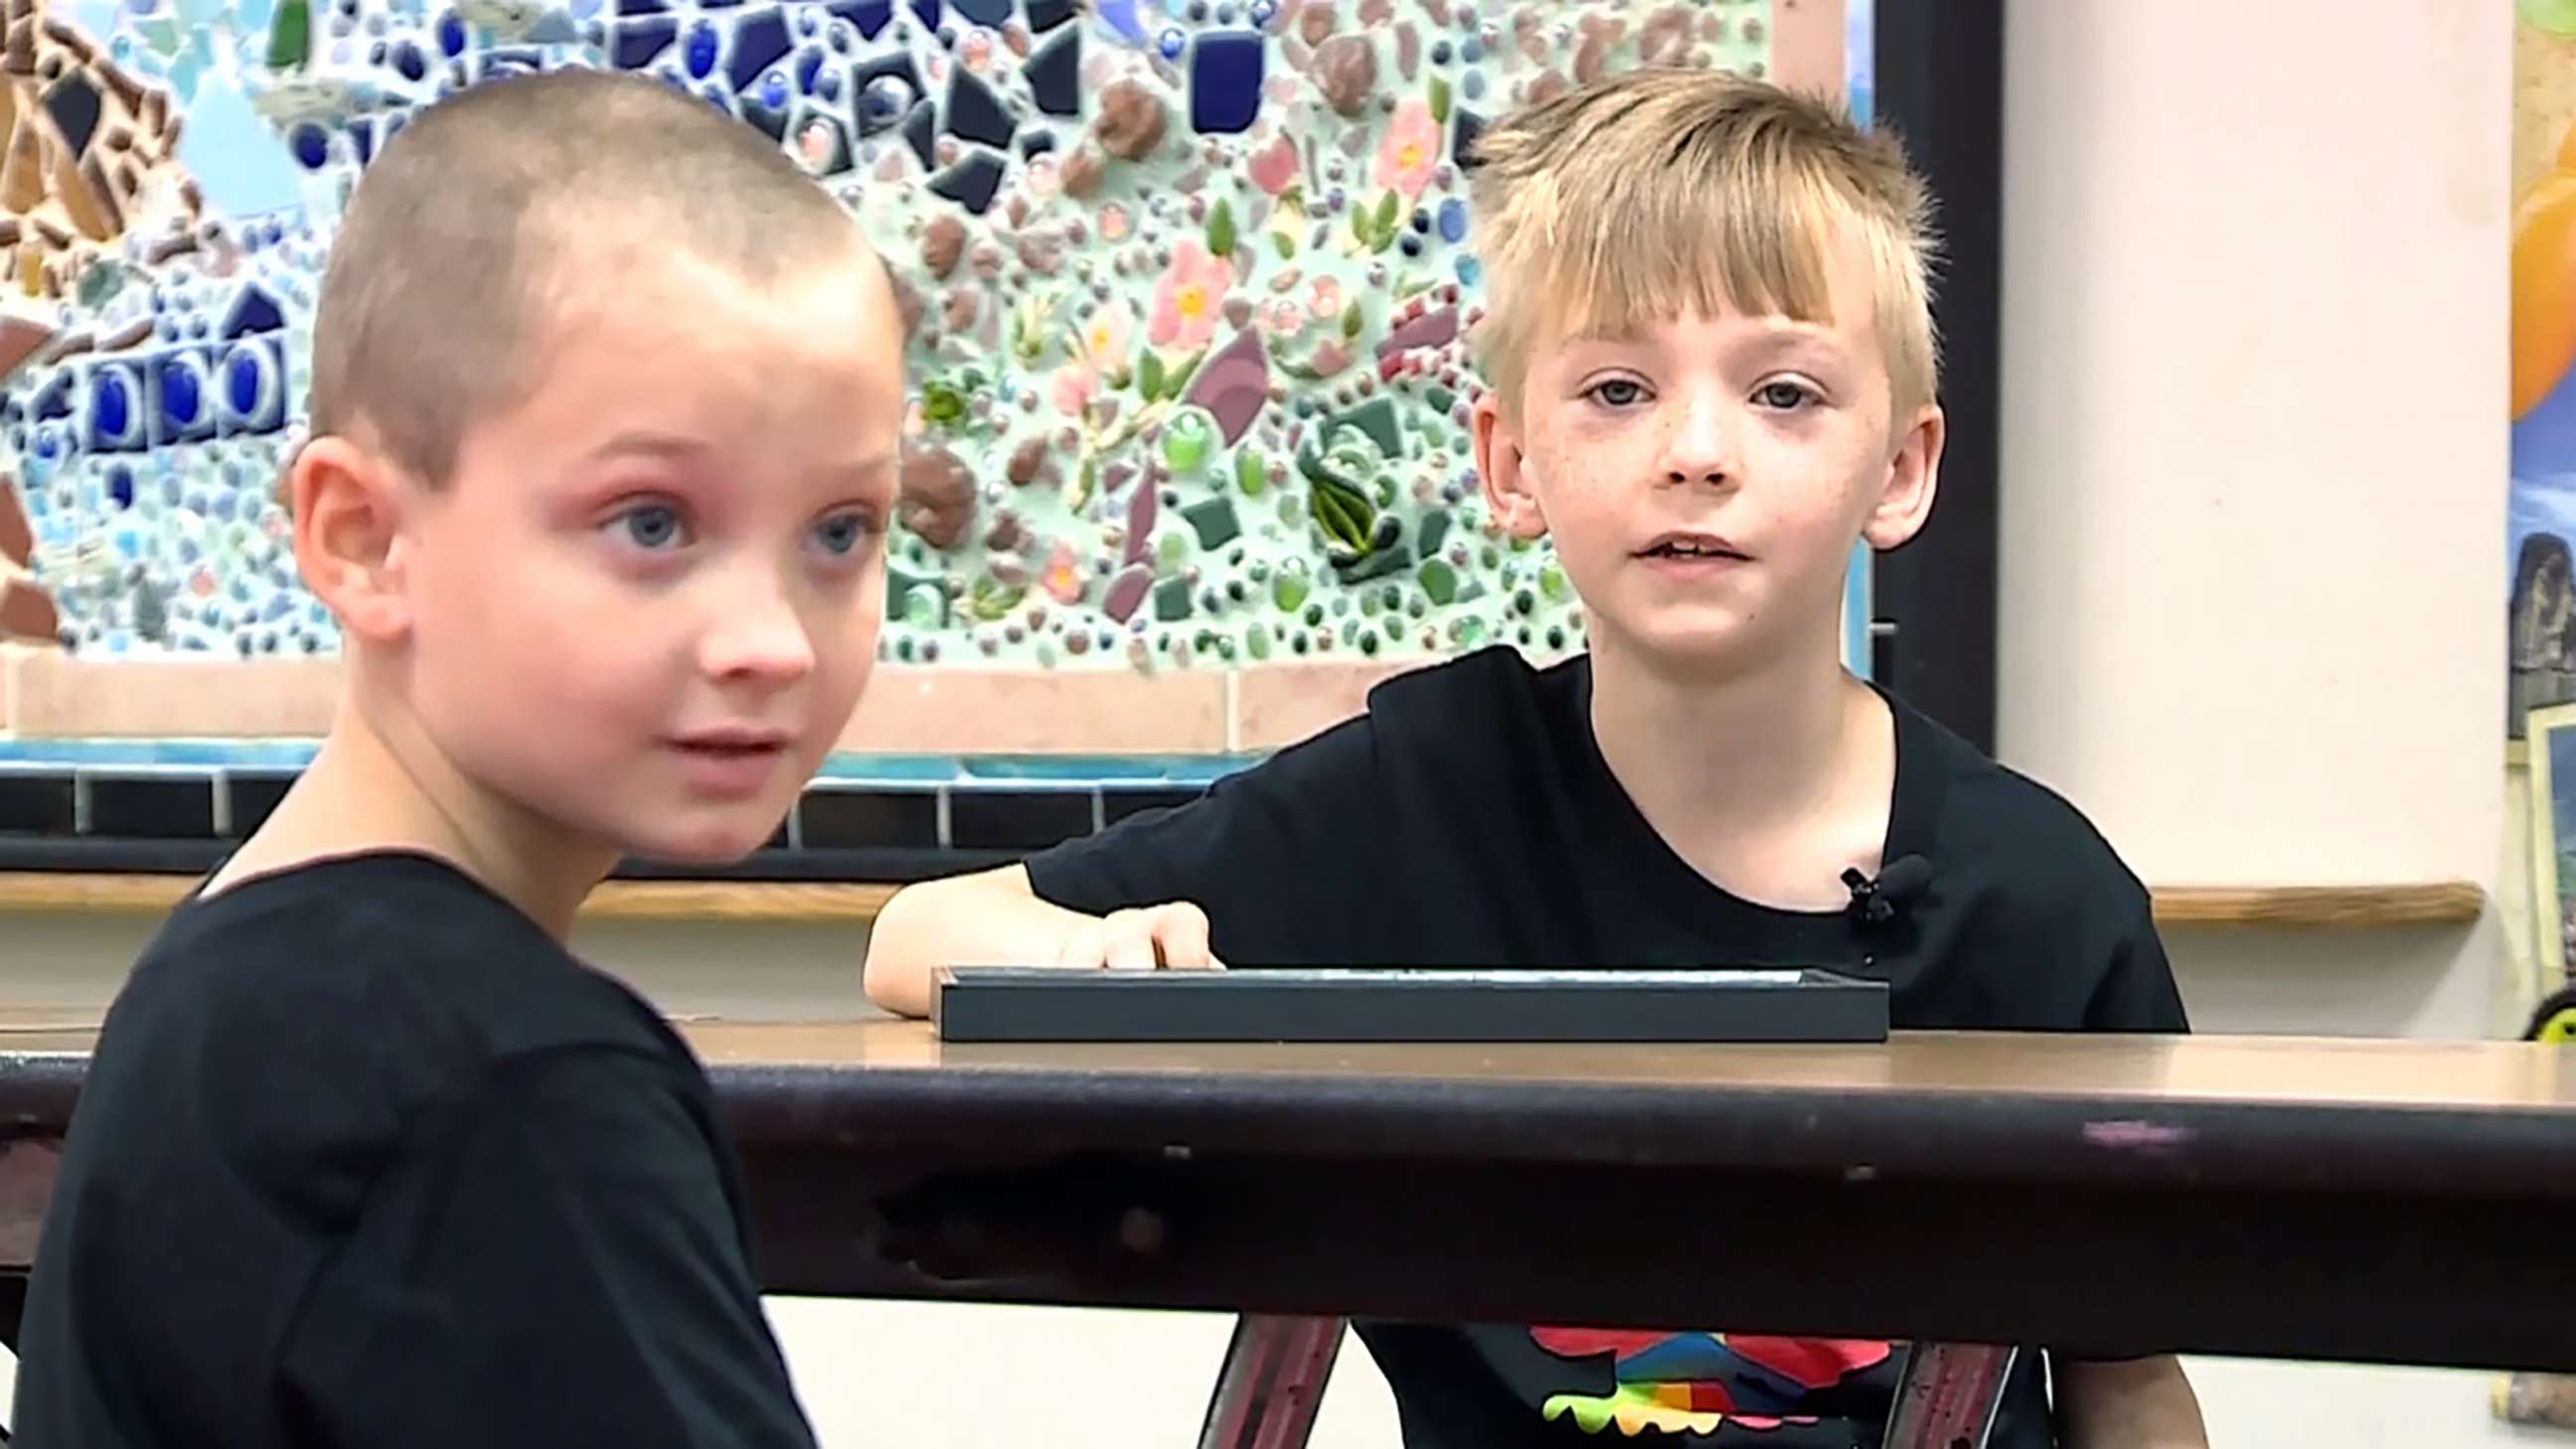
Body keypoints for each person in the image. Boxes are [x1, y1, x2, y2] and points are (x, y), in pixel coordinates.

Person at [863, 69, 2207, 1449]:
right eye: (1619, 388)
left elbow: (2129, 1375)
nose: (1697, 452)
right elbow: (919, 932)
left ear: (1904, 470)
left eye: (1785, 391)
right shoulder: (1419, 797)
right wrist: (1106, 968)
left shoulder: (2042, 897)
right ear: (1510, 463)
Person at [14, 69, 905, 1447]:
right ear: (364, 537)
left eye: (841, 531)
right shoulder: (506, 1090)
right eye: (653, 523)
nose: (772, 638)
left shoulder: (227, 987)